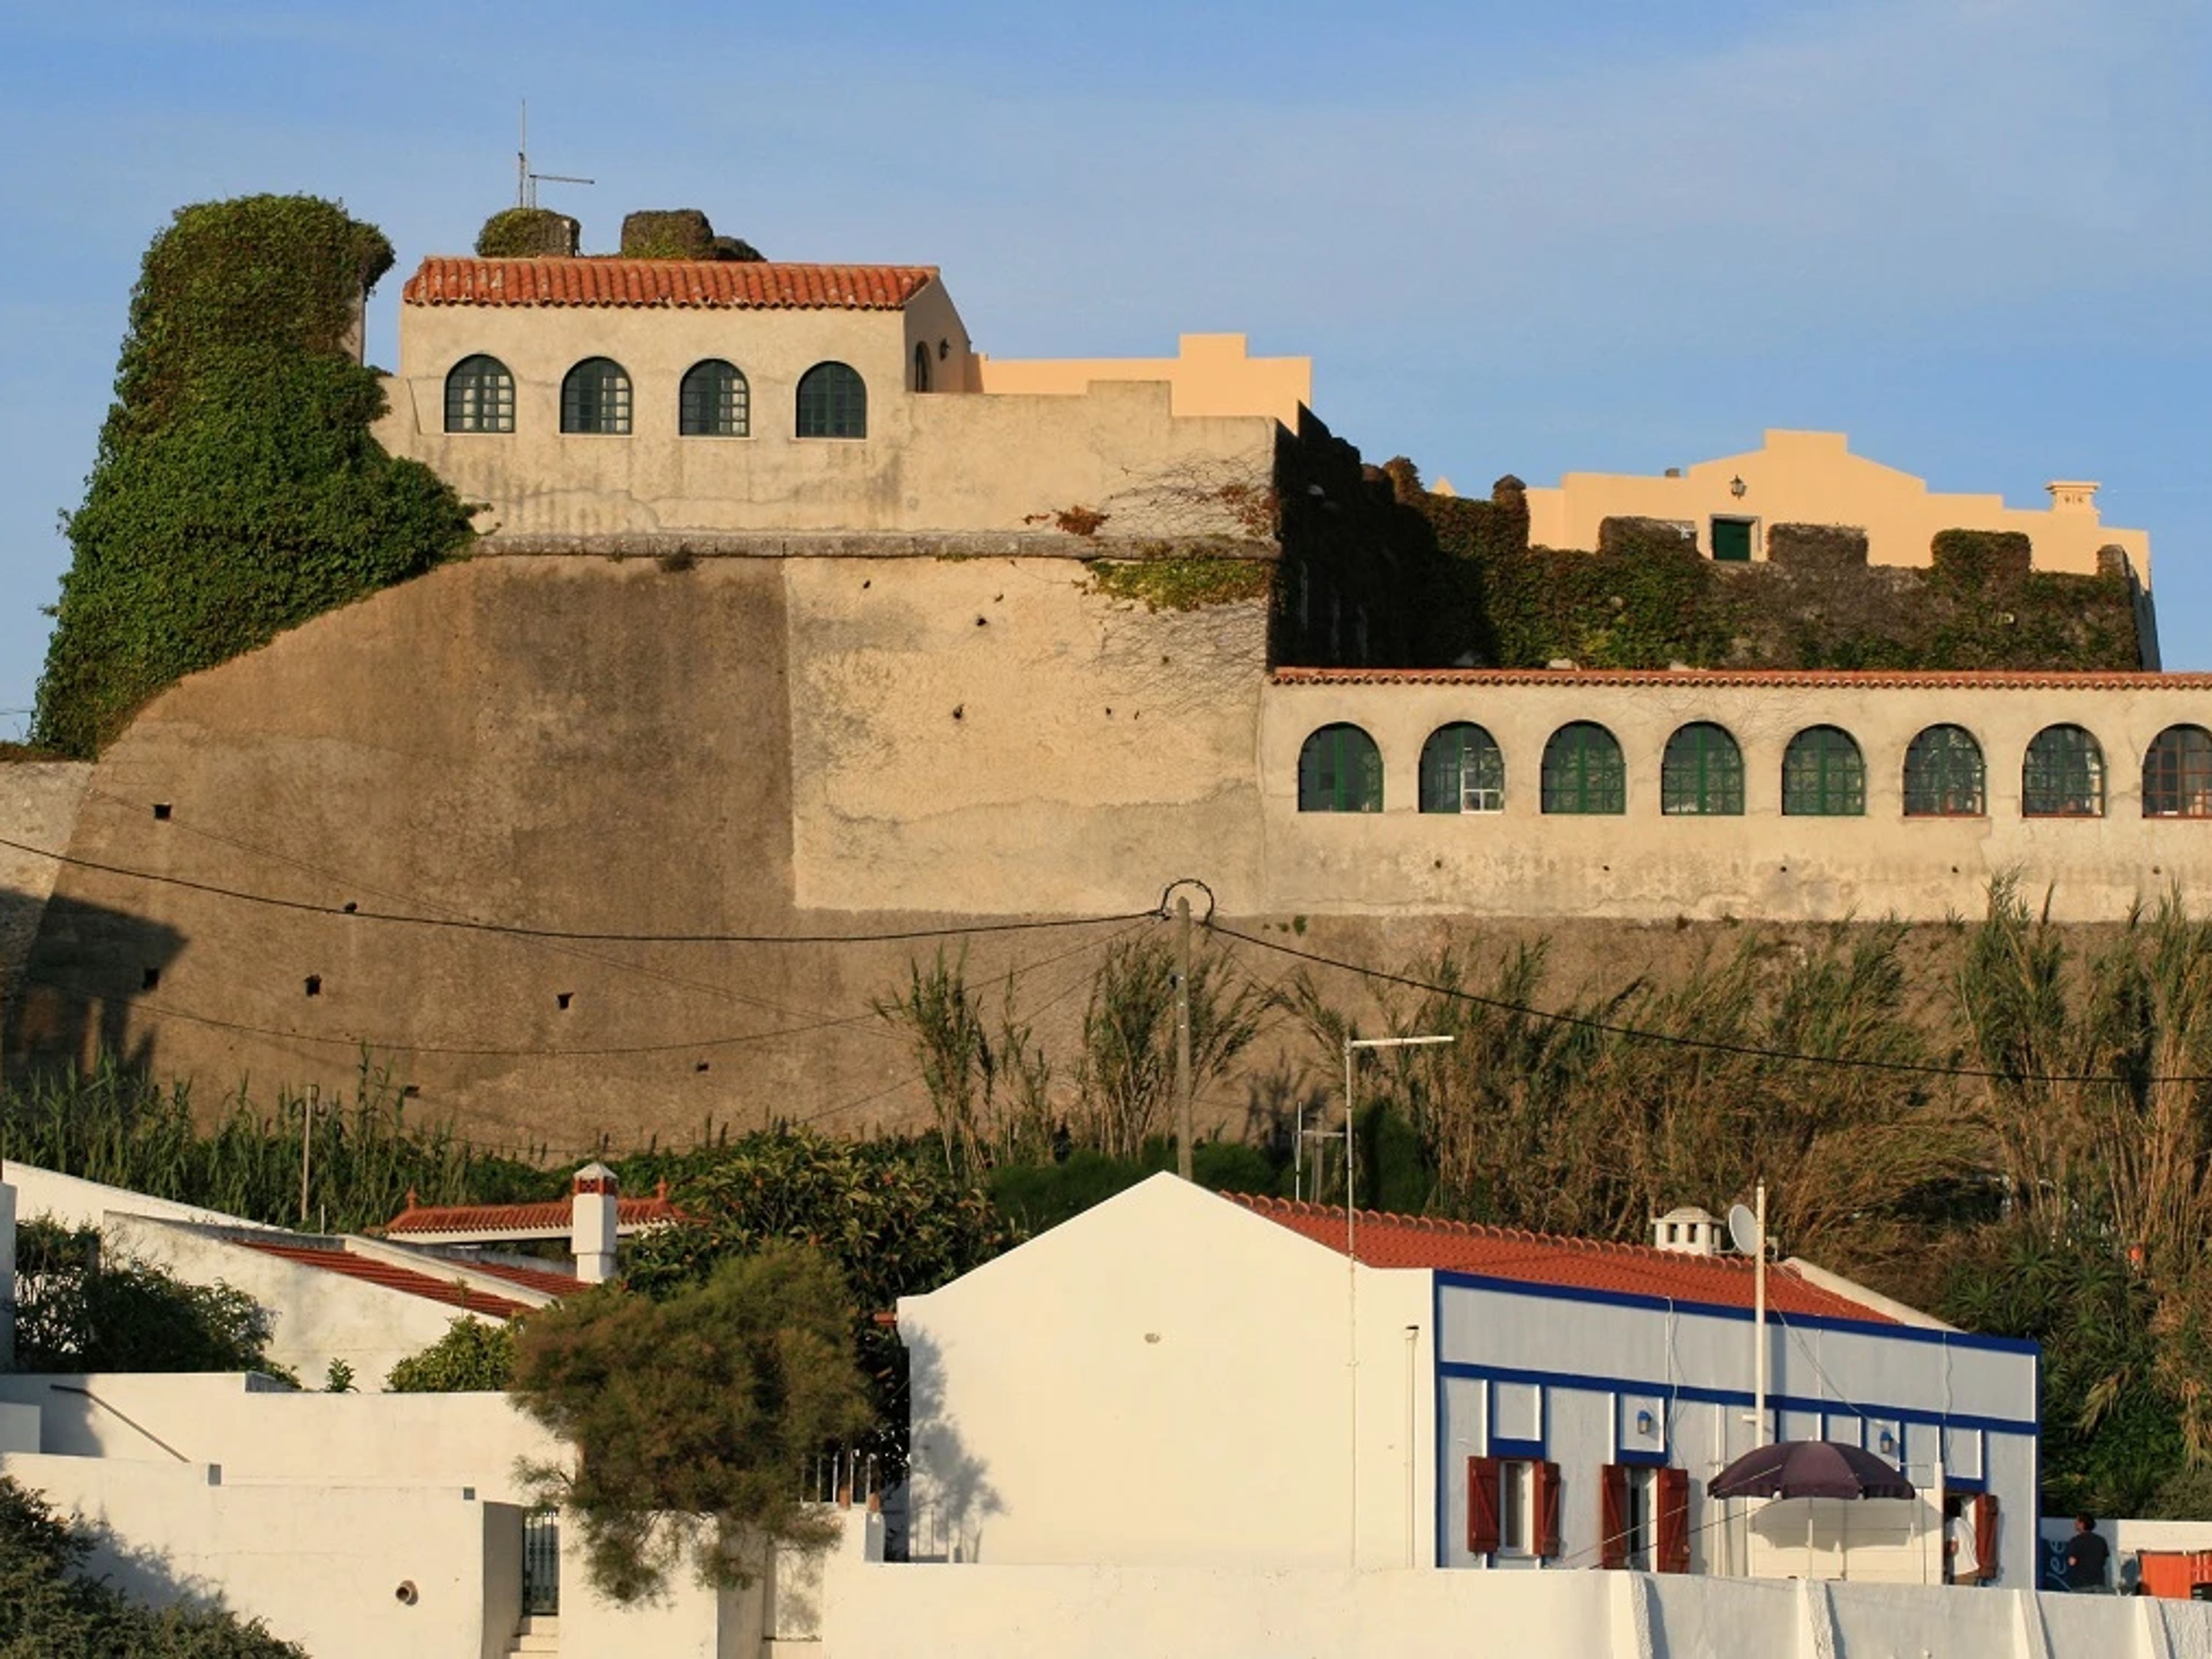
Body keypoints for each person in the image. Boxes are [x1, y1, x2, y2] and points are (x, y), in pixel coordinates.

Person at [2065, 1514, 2111, 1593]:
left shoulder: (2076, 1541)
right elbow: (2104, 1561)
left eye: (2077, 1522)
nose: (2075, 1524)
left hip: (2080, 1584)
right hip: (2098, 1583)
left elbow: (2072, 1562)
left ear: (2082, 1524)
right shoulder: (2101, 1541)